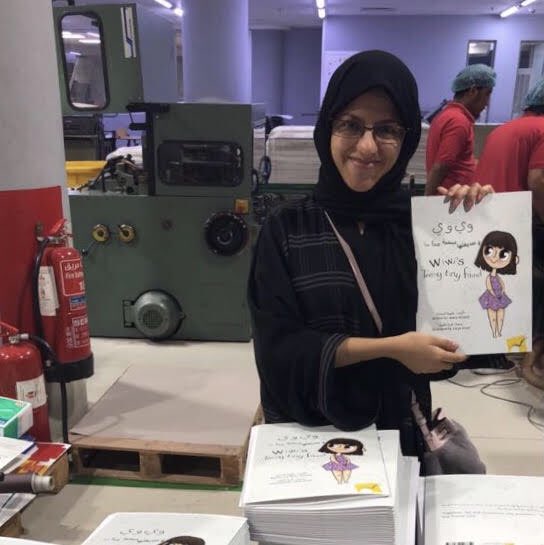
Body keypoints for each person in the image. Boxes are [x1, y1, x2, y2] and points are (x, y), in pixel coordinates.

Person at [248, 50, 492, 462]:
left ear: (407, 137)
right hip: (310, 437)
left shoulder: (422, 228)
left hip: (399, 437)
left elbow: (466, 342)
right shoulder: (287, 229)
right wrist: (392, 348)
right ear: (328, 128)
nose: (367, 146)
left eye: (387, 130)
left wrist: (476, 230)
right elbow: (279, 351)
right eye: (351, 125)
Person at [474, 79, 544, 360]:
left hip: (487, 216)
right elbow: (538, 181)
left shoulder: (504, 129)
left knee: (493, 289)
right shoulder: (543, 129)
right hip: (515, 221)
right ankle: (527, 354)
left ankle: (494, 351)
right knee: (527, 287)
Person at [425, 64, 497, 196]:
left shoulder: (448, 115)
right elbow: (441, 166)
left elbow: (455, 161)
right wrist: (427, 200)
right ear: (473, 91)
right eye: (487, 94)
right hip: (452, 199)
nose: (487, 103)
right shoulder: (458, 121)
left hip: (454, 197)